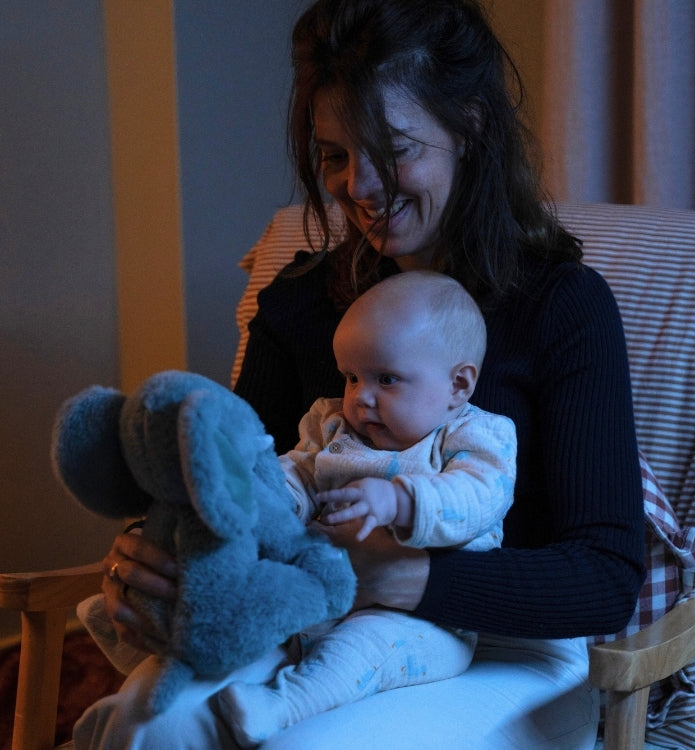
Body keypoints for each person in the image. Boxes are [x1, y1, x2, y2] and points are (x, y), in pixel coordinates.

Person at [74, 1, 645, 748]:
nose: (360, 186)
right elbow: (240, 486)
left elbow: (605, 576)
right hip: (310, 613)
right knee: (147, 724)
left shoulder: (563, 306)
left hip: (508, 647)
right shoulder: (301, 302)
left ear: (470, 125)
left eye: (393, 149)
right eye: (335, 156)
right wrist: (152, 553)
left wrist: (402, 576)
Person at [216, 269, 516, 746]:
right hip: (319, 596)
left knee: (360, 647)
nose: (361, 398)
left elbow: (478, 497)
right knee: (245, 617)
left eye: (386, 379)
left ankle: (284, 706)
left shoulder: (475, 436)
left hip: (422, 624)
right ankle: (176, 642)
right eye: (352, 377)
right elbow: (299, 472)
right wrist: (271, 499)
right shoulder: (334, 426)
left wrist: (400, 500)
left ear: (458, 385)